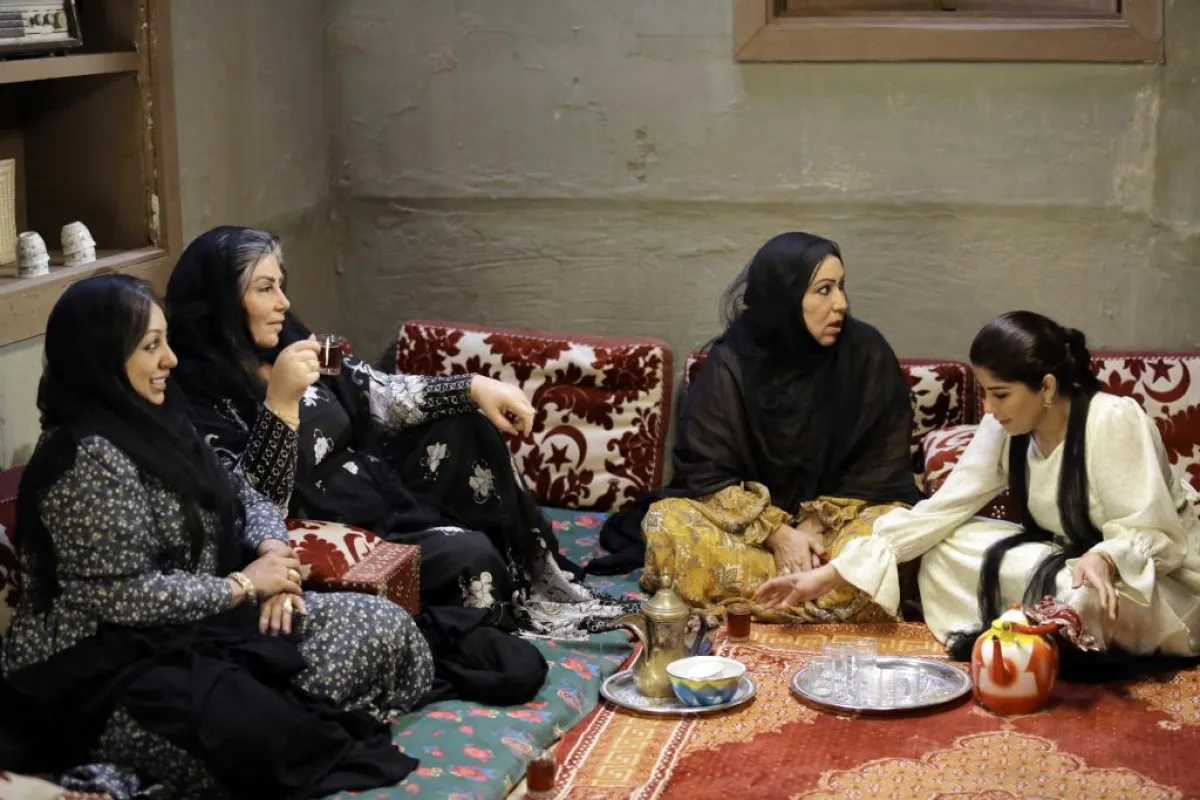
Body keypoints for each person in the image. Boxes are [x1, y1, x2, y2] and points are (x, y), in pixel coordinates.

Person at [0, 275, 434, 799]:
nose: (171, 360)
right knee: (258, 733)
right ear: (103, 357)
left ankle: (191, 749)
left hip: (201, 627)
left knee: (384, 630)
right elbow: (123, 596)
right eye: (151, 346)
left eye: (166, 341)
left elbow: (245, 493)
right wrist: (243, 587)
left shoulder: (162, 421)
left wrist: (274, 555)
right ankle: (136, 765)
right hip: (105, 669)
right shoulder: (83, 457)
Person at [165, 226, 631, 638]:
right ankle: (479, 582)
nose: (283, 303)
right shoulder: (195, 396)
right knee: (472, 557)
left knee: (467, 425)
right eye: (265, 289)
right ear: (222, 303)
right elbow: (250, 507)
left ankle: (531, 576)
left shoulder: (290, 342)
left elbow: (377, 393)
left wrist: (472, 386)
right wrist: (281, 404)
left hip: (374, 489)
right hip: (322, 530)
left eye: (280, 286)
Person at [757, 311, 1200, 664]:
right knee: (946, 544)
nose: (988, 407)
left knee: (1081, 596)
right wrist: (829, 575)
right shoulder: (1004, 426)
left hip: (1152, 580)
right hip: (1067, 560)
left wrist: (1106, 558)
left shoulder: (1113, 420)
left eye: (1000, 394)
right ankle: (1044, 630)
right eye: (985, 392)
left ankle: (1057, 631)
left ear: (1046, 387)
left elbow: (1158, 535)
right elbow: (943, 509)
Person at [601, 232, 923, 622]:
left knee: (889, 533)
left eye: (841, 287)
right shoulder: (733, 362)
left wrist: (816, 524)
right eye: (824, 290)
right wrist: (779, 534)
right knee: (667, 523)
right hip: (751, 534)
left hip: (837, 530)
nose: (840, 303)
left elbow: (881, 467)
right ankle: (817, 600)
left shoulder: (866, 353)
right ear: (784, 297)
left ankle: (772, 598)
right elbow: (705, 472)